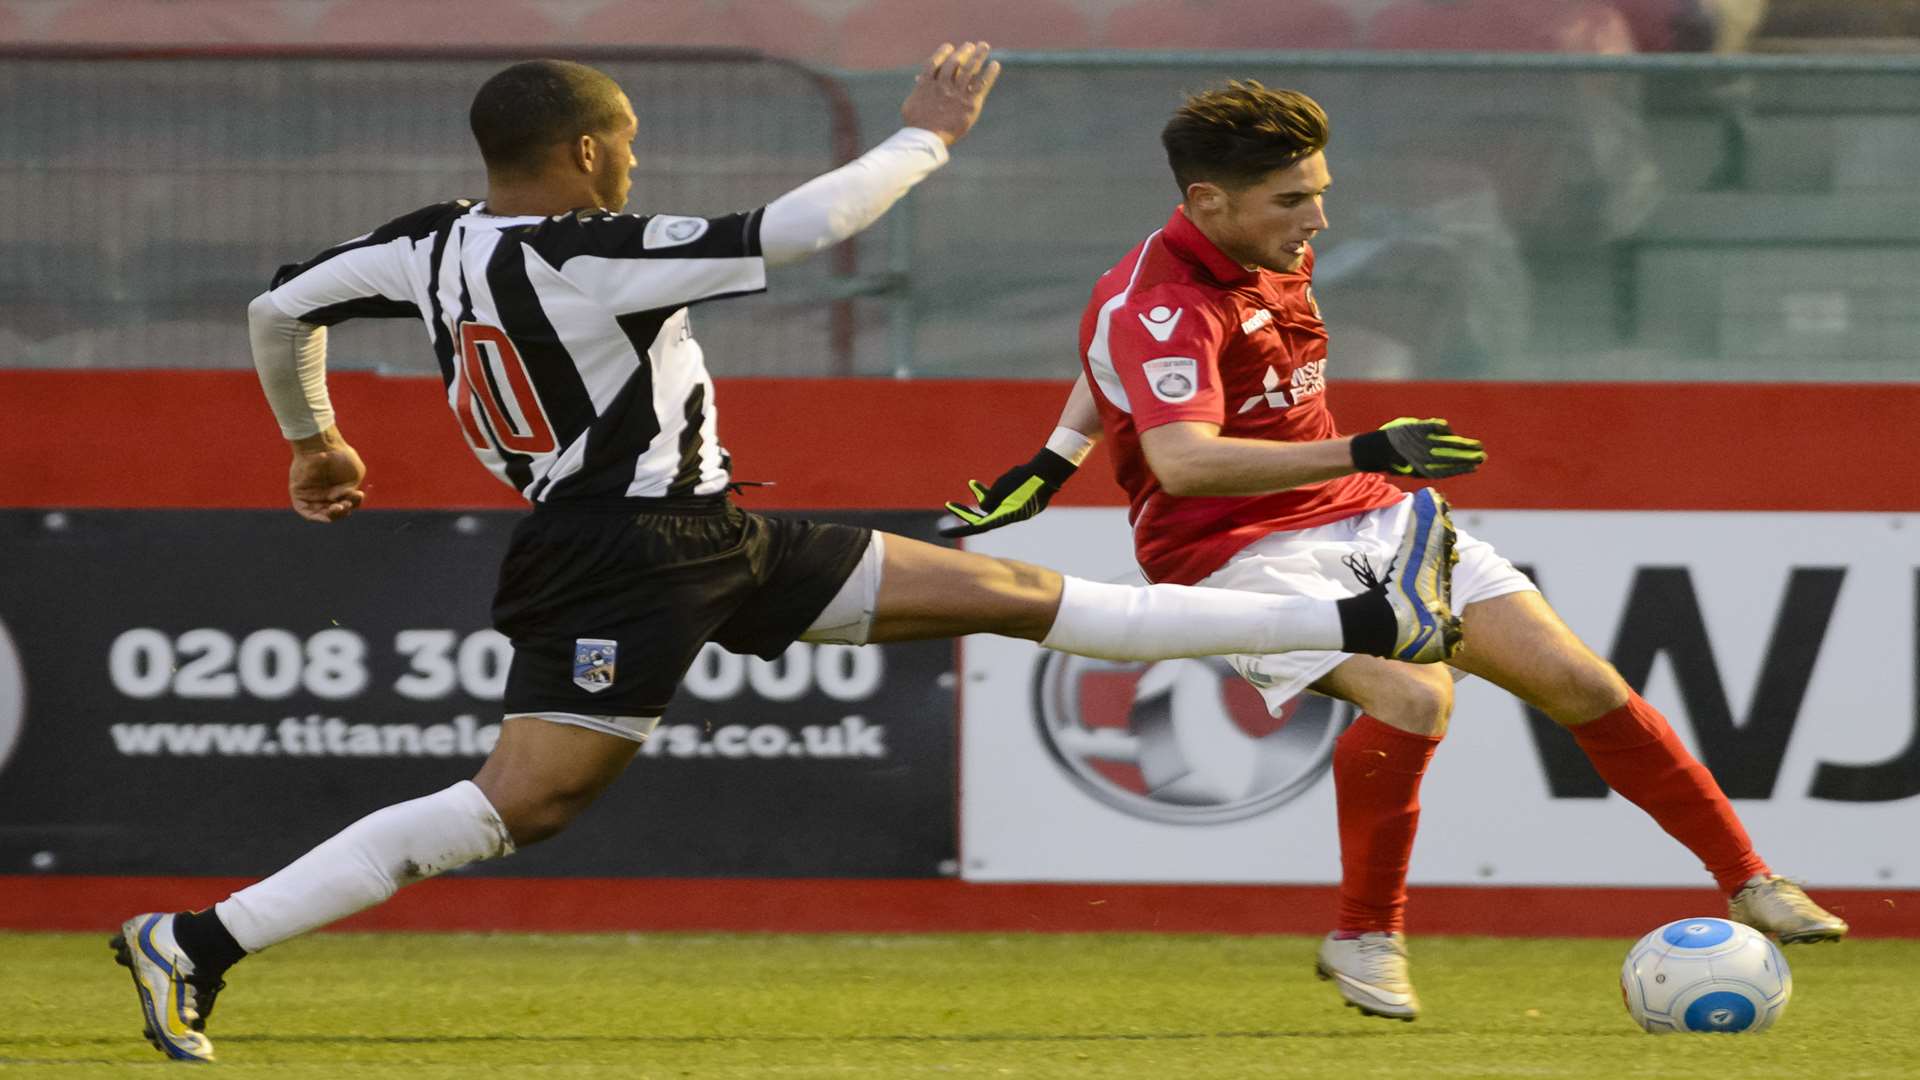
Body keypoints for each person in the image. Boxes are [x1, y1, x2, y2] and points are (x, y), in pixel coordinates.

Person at [109, 50, 1468, 1063]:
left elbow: (278, 305)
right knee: (523, 805)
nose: (635, 164)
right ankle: (198, 941)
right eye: (626, 143)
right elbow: (808, 228)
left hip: (709, 531)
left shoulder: (428, 246)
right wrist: (927, 137)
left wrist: (316, 440)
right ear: (586, 152)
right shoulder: (596, 251)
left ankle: (1360, 611)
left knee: (1014, 595)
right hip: (624, 552)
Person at [941, 79, 1847, 1022]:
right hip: (1235, 553)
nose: (1318, 218)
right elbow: (1182, 460)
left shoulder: (1259, 252)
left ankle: (1750, 881)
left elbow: (1107, 370)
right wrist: (1366, 446)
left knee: (1580, 684)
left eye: (1318, 191)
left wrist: (1050, 461)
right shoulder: (1162, 302)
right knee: (1416, 694)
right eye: (1293, 199)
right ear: (1208, 202)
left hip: (1368, 514)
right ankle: (1366, 933)